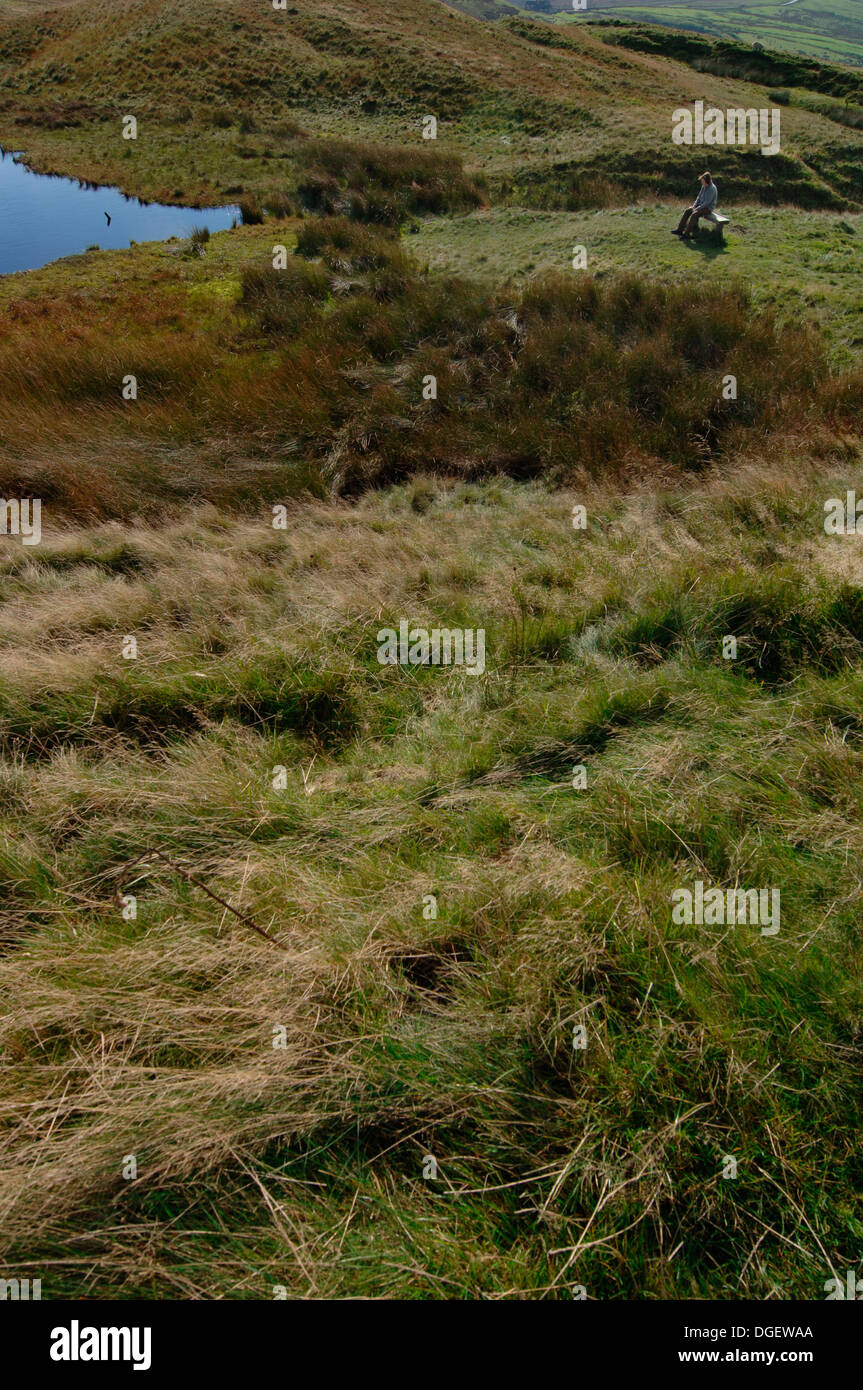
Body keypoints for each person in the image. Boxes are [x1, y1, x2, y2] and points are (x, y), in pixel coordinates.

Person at [672, 172, 718, 240]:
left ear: (707, 181)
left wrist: (697, 209)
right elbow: (698, 197)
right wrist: (694, 206)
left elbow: (706, 203)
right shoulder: (704, 186)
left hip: (708, 208)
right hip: (700, 206)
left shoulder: (712, 189)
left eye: (703, 181)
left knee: (694, 214)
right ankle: (679, 230)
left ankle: (686, 234)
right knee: (688, 211)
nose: (702, 183)